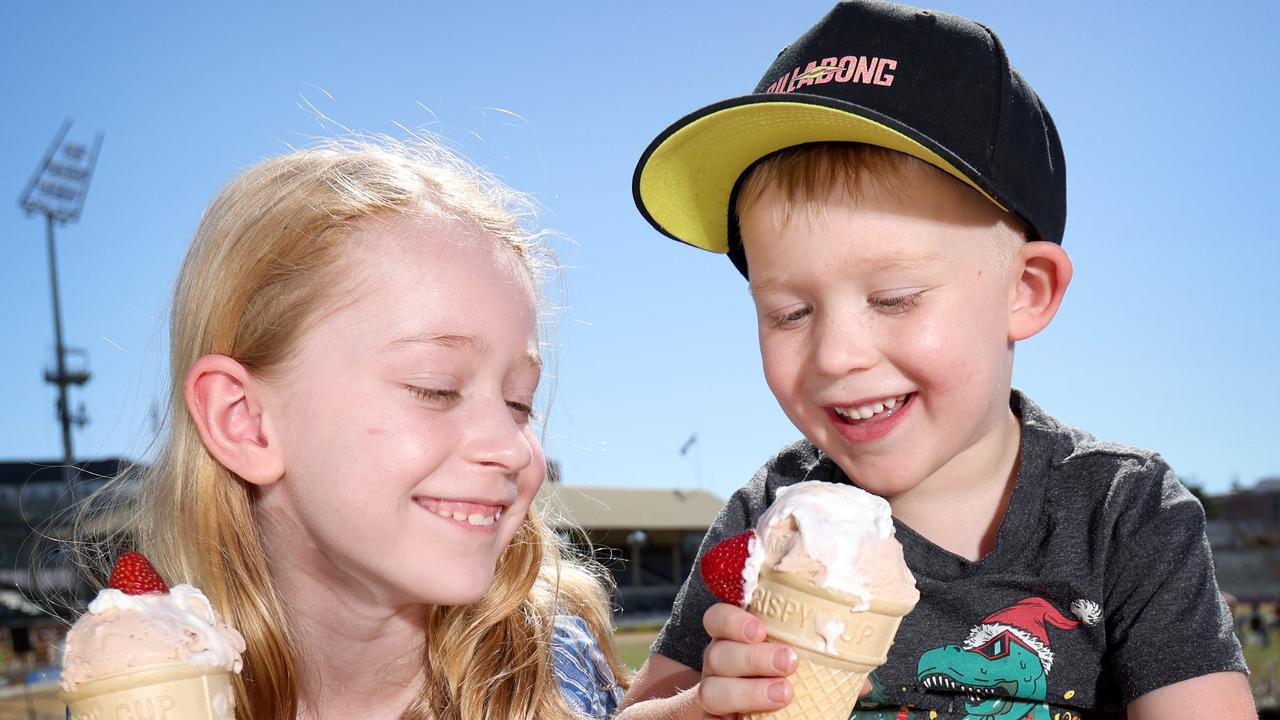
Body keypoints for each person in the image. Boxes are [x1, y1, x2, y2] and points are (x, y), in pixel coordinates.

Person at [619, 1, 1253, 718]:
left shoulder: (1122, 515)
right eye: (789, 313)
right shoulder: (775, 514)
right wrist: (697, 707)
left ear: (1026, 290)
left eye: (893, 298)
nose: (836, 353)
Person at [72, 138, 627, 719]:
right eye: (434, 387)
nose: (513, 448)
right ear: (244, 422)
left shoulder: (558, 679)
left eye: (520, 403)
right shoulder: (141, 695)